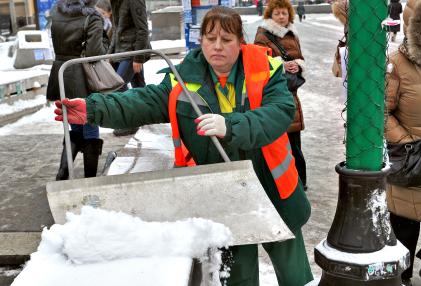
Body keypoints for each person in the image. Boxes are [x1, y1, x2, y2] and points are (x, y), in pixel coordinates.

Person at [54, 6, 313, 286]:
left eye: (226, 40)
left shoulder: (266, 68)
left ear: (241, 42)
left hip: (272, 187)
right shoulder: (183, 78)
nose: (217, 47)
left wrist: (230, 126)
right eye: (210, 38)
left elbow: (279, 112)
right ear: (200, 41)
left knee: (295, 275)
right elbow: (144, 101)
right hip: (226, 193)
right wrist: (93, 109)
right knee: (238, 276)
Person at [385, 0, 421, 285]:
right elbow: (380, 111)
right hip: (412, 160)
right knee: (404, 230)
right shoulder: (398, 62)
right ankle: (402, 277)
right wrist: (407, 141)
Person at [46, 0, 108, 180]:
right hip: (82, 74)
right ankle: (89, 178)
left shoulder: (57, 12)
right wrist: (105, 38)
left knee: (74, 122)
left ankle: (63, 173)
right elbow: (95, 52)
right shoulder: (92, 16)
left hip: (61, 71)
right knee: (89, 121)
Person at [254, 0, 308, 190]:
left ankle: (300, 181)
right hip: (274, 94)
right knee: (279, 142)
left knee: (294, 143)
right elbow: (258, 63)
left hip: (291, 92)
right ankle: (285, 182)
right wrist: (281, 65)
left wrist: (297, 65)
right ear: (270, 15)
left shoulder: (292, 33)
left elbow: (300, 57)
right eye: (277, 14)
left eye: (284, 13)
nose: (281, 17)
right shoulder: (263, 35)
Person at [109, 0, 151, 136]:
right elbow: (116, 29)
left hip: (132, 51)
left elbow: (143, 30)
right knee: (139, 86)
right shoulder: (116, 2)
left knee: (118, 85)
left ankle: (132, 122)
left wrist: (138, 57)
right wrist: (110, 53)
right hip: (121, 51)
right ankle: (147, 114)